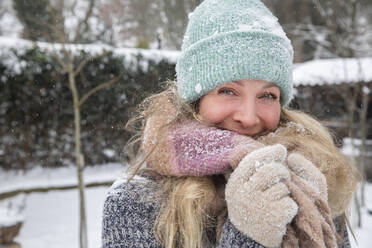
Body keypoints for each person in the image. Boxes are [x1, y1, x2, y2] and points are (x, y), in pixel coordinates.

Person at [101, 0, 358, 247]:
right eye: (228, 91)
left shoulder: (310, 179)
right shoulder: (136, 203)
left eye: (267, 95)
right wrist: (250, 235)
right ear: (195, 99)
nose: (248, 117)